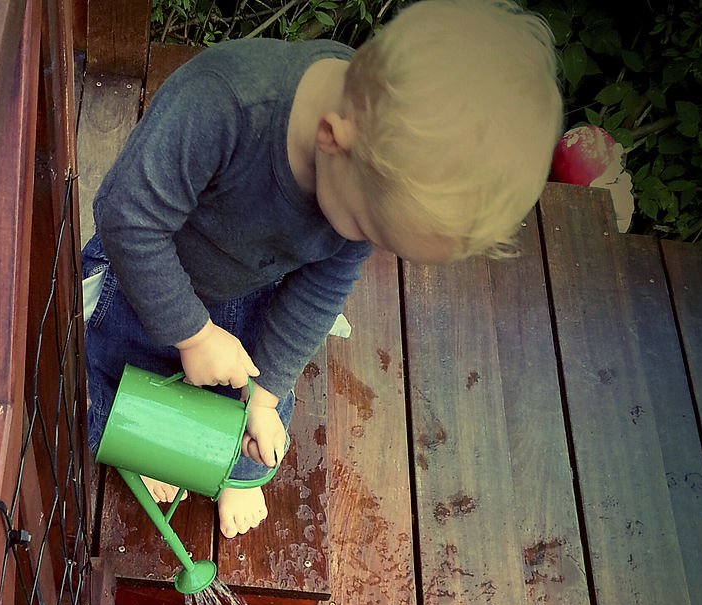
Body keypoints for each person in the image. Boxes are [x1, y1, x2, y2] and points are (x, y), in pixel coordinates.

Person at [83, 0, 563, 539]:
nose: (358, 242)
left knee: (264, 420)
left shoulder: (369, 173)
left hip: (247, 294)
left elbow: (320, 289)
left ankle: (216, 463)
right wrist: (191, 334)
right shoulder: (225, 105)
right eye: (362, 226)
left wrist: (262, 398)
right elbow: (127, 216)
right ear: (333, 139)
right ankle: (149, 442)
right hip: (141, 275)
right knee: (95, 384)